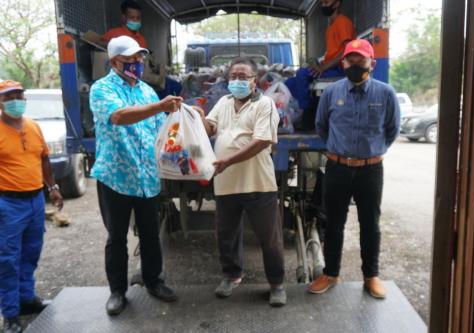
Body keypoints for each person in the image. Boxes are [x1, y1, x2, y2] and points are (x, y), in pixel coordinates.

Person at [89, 35, 183, 316]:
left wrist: (186, 119)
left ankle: (154, 281)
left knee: (151, 233)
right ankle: (117, 291)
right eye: (132, 58)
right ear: (115, 61)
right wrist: (159, 107)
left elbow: (161, 127)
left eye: (140, 57)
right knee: (116, 236)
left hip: (147, 176)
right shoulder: (102, 89)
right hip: (116, 176)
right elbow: (119, 116)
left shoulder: (146, 91)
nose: (138, 62)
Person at [309, 39, 400, 299]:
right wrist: (338, 151)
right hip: (337, 168)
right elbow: (321, 126)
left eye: (361, 60)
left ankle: (371, 276)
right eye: (351, 60)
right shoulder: (332, 92)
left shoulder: (385, 93)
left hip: (370, 171)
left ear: (372, 63)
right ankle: (330, 273)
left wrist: (372, 152)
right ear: (344, 62)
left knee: (370, 224)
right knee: (333, 223)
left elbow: (392, 130)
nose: (355, 64)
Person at [197, 58, 286, 307]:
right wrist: (196, 118)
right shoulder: (223, 102)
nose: (237, 80)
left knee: (269, 237)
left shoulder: (265, 104)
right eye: (233, 76)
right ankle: (232, 275)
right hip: (226, 183)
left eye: (243, 76)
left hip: (258, 182)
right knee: (226, 234)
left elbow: (261, 141)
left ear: (253, 80)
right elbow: (209, 128)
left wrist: (227, 161)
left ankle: (277, 284)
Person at [0, 80, 64, 333]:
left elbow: (44, 159)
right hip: (8, 203)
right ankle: (10, 313)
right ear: (1, 102)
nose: (15, 100)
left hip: (36, 200)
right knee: (7, 260)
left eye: (18, 95)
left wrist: (53, 188)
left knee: (31, 252)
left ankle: (26, 299)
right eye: (9, 96)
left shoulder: (33, 126)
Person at [285, 0, 355, 111]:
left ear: (336, 4)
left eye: (326, 3)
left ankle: (306, 112)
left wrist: (323, 67)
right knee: (289, 82)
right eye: (322, 3)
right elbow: (332, 54)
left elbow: (347, 51)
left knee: (302, 73)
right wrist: (318, 64)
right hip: (330, 67)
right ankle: (308, 109)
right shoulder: (330, 28)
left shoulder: (343, 22)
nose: (323, 6)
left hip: (340, 69)